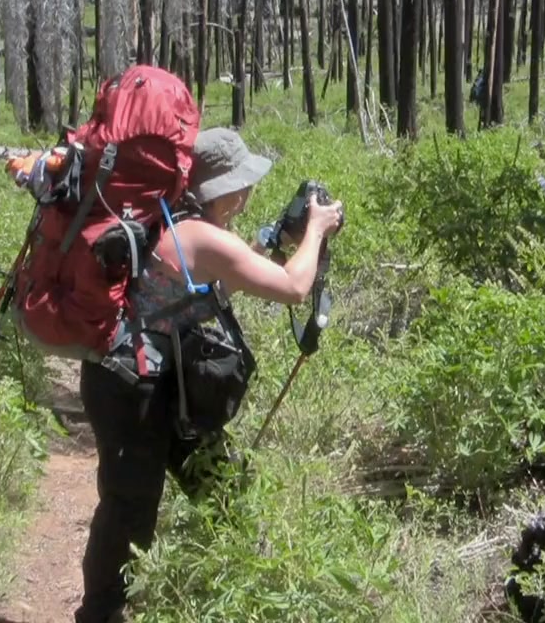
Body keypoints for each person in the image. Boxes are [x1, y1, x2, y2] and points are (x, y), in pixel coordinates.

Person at [74, 127, 344, 623]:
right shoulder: (198, 236)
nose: (248, 193)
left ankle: (229, 590)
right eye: (244, 184)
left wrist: (273, 241)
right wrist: (316, 230)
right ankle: (100, 614)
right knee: (129, 507)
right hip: (130, 386)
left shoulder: (181, 223)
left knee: (221, 487)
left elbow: (221, 278)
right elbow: (293, 287)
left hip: (157, 383)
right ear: (226, 189)